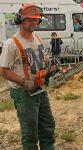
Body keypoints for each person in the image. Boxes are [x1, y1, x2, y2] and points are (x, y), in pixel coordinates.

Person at [0, 3, 55, 150]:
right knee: (30, 133)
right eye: (30, 19)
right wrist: (24, 81)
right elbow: (4, 70)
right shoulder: (11, 44)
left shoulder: (37, 39)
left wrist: (51, 71)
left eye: (36, 19)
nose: (33, 22)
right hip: (23, 93)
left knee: (47, 126)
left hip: (40, 89)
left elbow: (45, 61)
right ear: (21, 20)